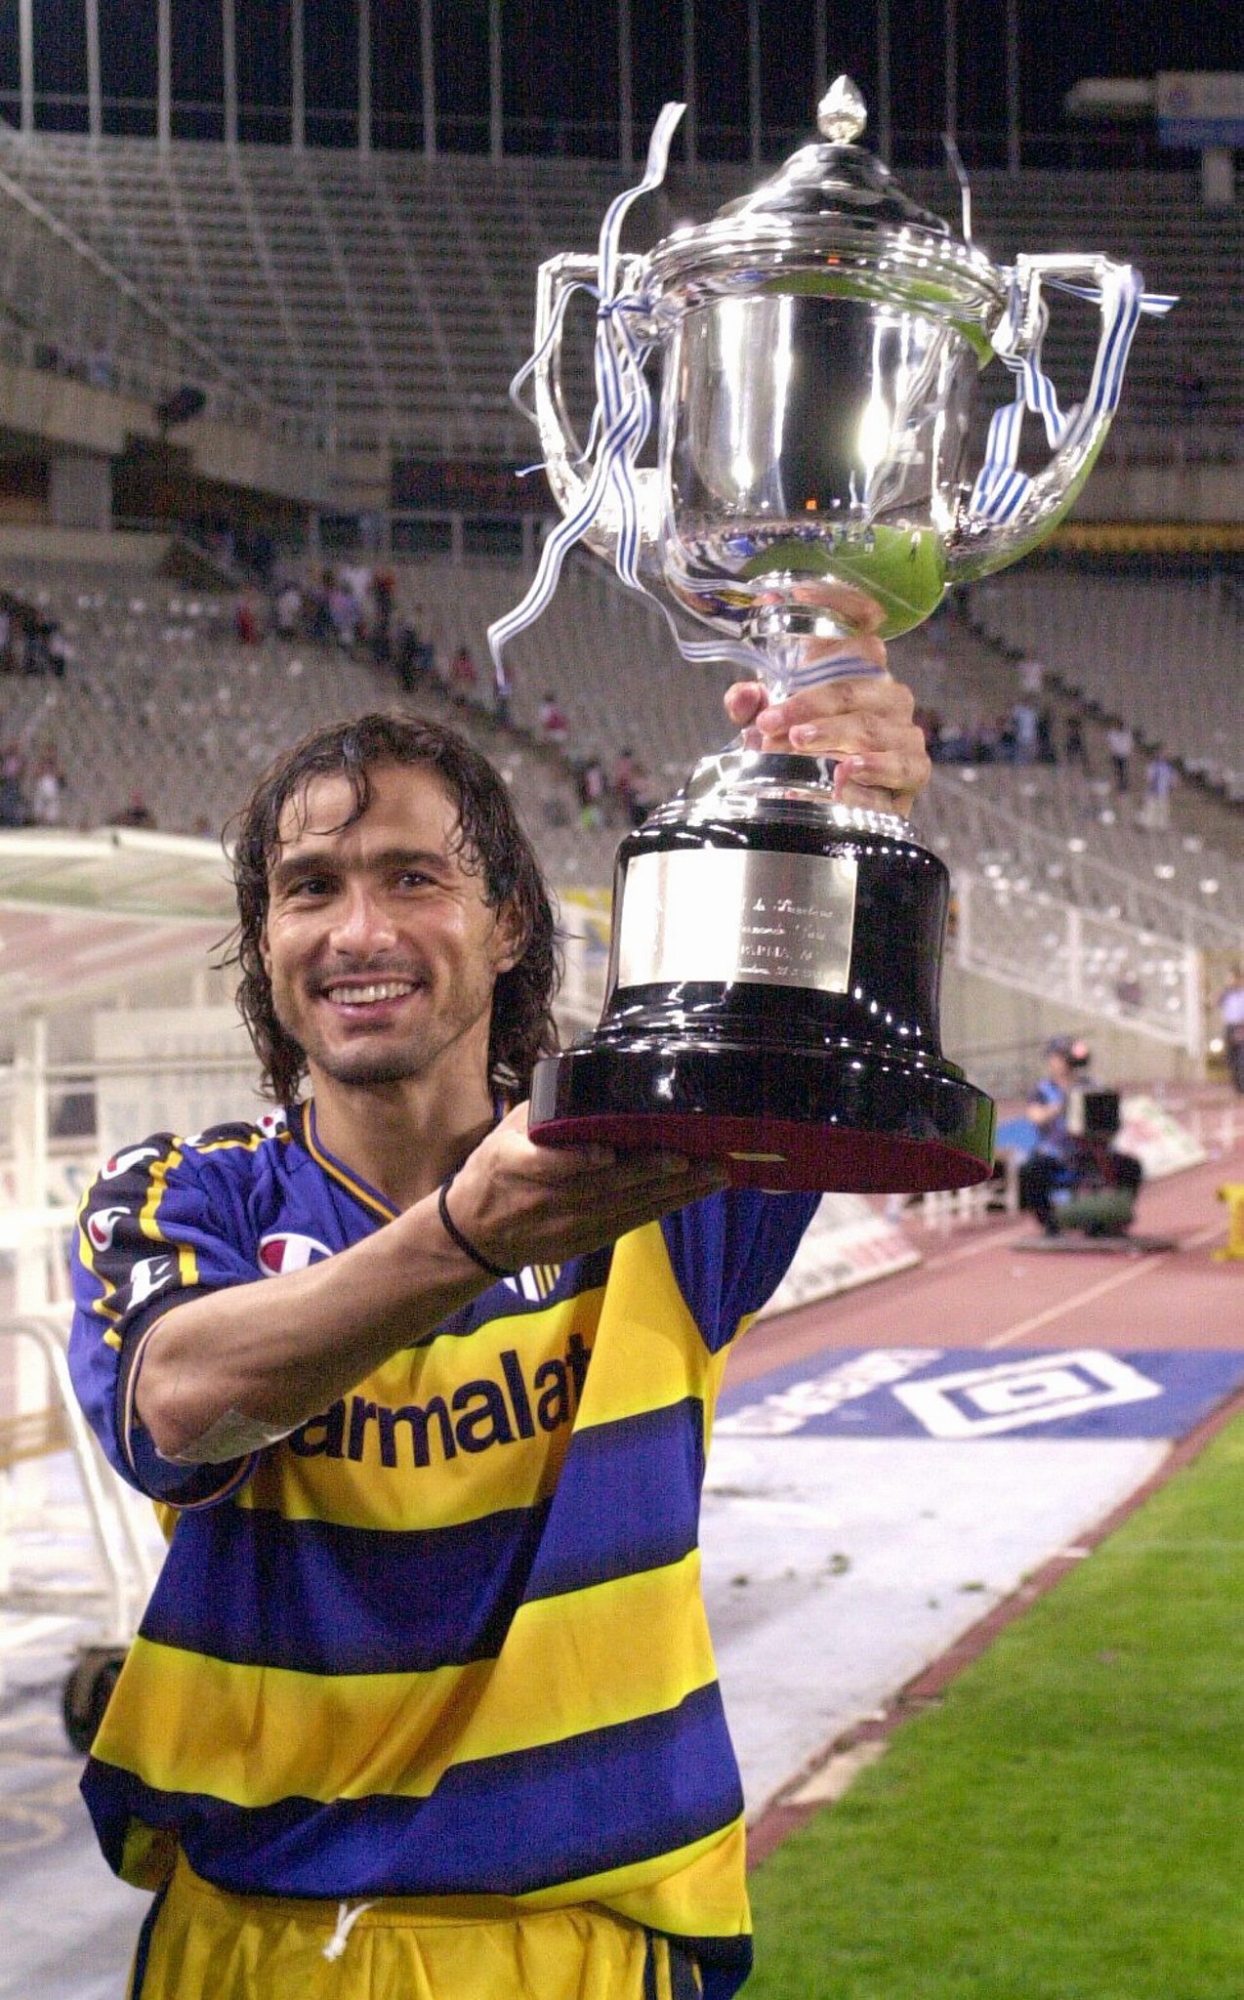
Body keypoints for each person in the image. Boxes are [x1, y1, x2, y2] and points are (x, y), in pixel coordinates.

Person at [68, 657, 929, 2000]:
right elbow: (177, 1410)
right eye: (310, 888)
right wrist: (464, 1239)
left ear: (513, 923)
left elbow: (822, 1020)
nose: (358, 931)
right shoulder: (187, 1191)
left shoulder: (655, 1175)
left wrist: (850, 797)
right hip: (257, 1944)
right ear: (265, 945)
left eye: (413, 877)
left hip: (583, 1949)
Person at [1017, 1036, 1141, 1234]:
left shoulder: (1091, 1085)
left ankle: (1111, 1221)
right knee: (1031, 1171)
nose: (1057, 1062)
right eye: (1055, 1057)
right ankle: (1050, 1223)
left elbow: (1110, 1120)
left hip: (1090, 1151)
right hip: (1057, 1154)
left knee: (1131, 1167)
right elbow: (1036, 1116)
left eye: (1061, 1057)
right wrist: (1063, 1105)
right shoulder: (1042, 1089)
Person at [1219, 970, 1244, 1095]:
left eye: (1233, 978)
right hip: (1229, 1028)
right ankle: (1237, 1089)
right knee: (1231, 1059)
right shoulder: (1227, 995)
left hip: (1241, 1027)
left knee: (1242, 1059)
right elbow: (1210, 1003)